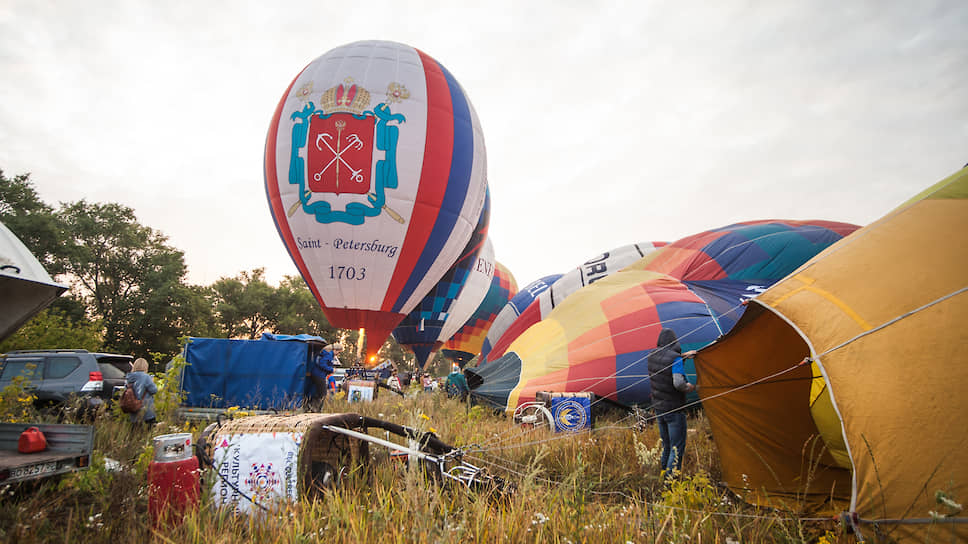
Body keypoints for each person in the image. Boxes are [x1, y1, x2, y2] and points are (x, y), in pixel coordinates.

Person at [647, 328, 696, 481]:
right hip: (674, 409)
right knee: (677, 447)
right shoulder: (675, 359)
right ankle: (671, 482)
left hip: (659, 409)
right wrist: (690, 388)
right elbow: (678, 383)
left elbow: (664, 365)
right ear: (674, 341)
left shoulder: (651, 356)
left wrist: (683, 358)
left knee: (667, 445)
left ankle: (663, 476)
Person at [126, 357, 158, 425]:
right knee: (149, 429)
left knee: (135, 430)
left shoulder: (129, 377)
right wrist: (151, 381)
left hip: (133, 408)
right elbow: (154, 390)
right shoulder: (146, 377)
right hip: (146, 409)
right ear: (145, 367)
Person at [310, 343, 343, 409]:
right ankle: (317, 409)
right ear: (335, 350)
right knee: (323, 393)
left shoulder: (326, 353)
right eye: (338, 352)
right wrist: (331, 369)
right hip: (319, 375)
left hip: (316, 374)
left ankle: (312, 406)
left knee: (317, 392)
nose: (338, 354)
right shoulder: (329, 354)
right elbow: (322, 364)